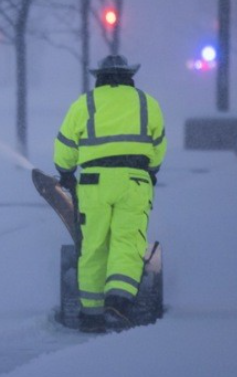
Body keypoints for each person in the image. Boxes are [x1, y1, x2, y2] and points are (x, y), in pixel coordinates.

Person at [54, 54, 165, 333]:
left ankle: (91, 315)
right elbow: (158, 145)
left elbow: (65, 144)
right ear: (129, 76)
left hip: (93, 183)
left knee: (92, 246)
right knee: (127, 241)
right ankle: (119, 300)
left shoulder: (85, 103)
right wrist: (151, 168)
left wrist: (65, 172)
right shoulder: (146, 103)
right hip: (134, 181)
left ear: (99, 78)